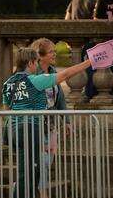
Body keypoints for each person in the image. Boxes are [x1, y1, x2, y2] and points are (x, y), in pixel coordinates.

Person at [2, 48, 91, 198]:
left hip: (14, 130)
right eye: (36, 62)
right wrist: (89, 62)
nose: (37, 65)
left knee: (29, 171)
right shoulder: (35, 80)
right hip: (31, 128)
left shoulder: (8, 83)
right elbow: (66, 74)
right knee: (29, 172)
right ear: (30, 63)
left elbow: (6, 109)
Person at [30, 38, 70, 198]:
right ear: (40, 56)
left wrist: (66, 121)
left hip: (51, 125)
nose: (55, 54)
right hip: (36, 126)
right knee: (42, 164)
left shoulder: (53, 72)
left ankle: (22, 188)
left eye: (54, 51)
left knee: (47, 162)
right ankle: (42, 194)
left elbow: (59, 99)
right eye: (51, 52)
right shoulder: (32, 74)